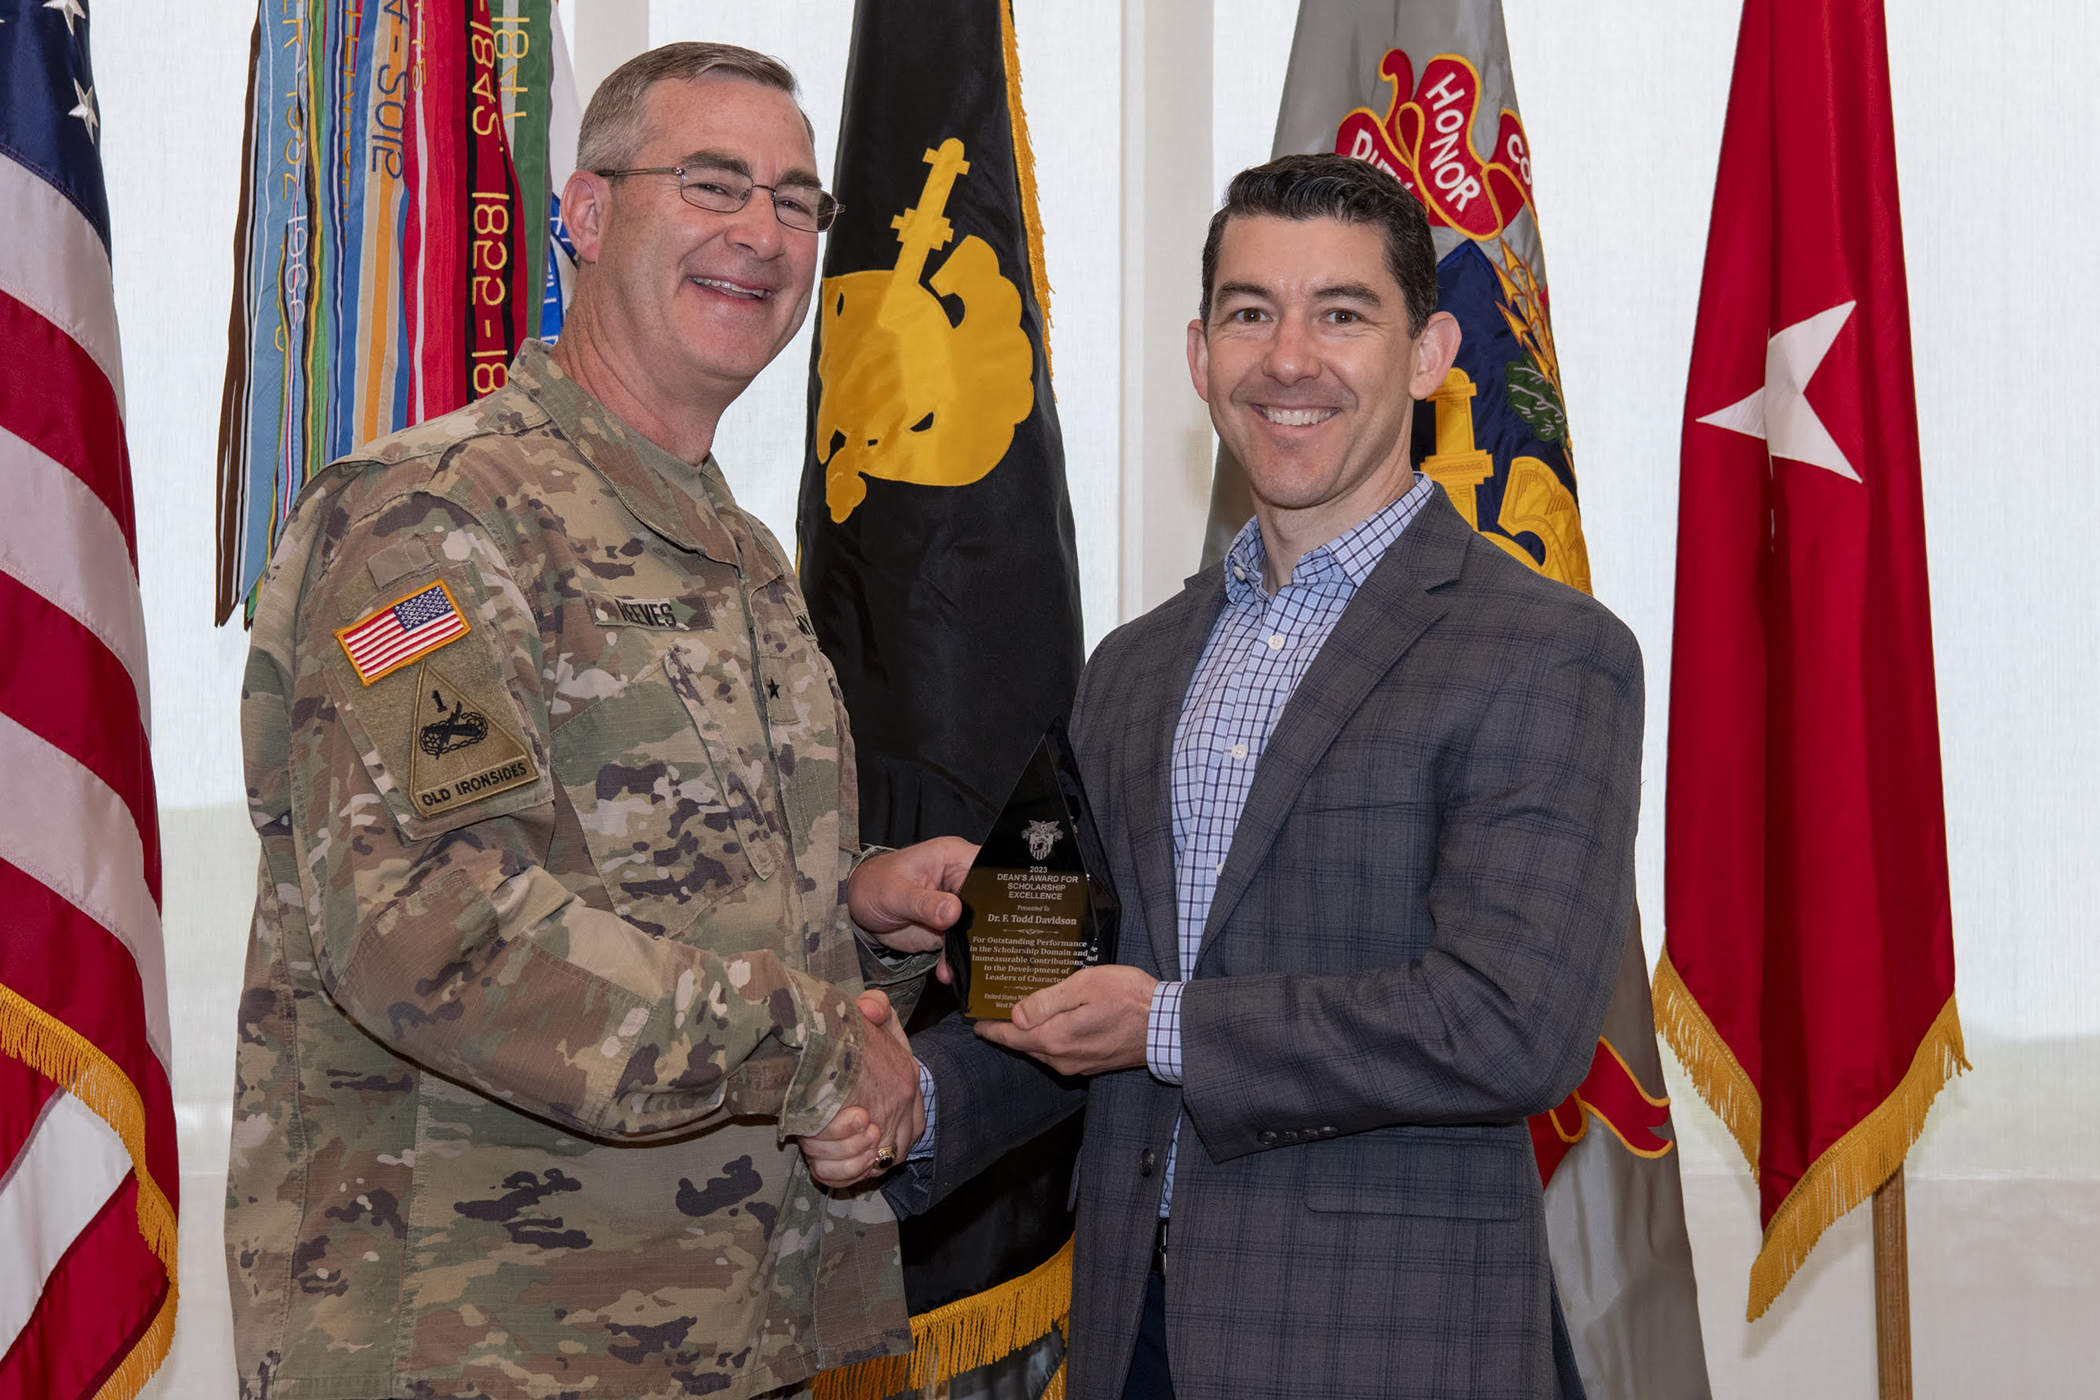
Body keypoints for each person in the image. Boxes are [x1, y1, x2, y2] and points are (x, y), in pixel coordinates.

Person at [809, 154, 1646, 1399]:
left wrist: (1163, 1024)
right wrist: (908, 1100)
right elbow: (1050, 996)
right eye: (1251, 312)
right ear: (1201, 355)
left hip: (1390, 1348)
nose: (1289, 357)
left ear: (1431, 355)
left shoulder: (1549, 651)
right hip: (1132, 1339)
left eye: (1342, 313)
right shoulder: (1133, 669)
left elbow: (1508, 1025)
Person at [225, 43, 958, 1400]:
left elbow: (681, 910)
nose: (762, 232)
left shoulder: (737, 559)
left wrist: (865, 924)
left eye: (798, 203)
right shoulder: (431, 520)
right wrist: (812, 1045)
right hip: (484, 1351)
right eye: (713, 182)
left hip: (728, 1338)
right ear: (583, 211)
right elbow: (432, 932)